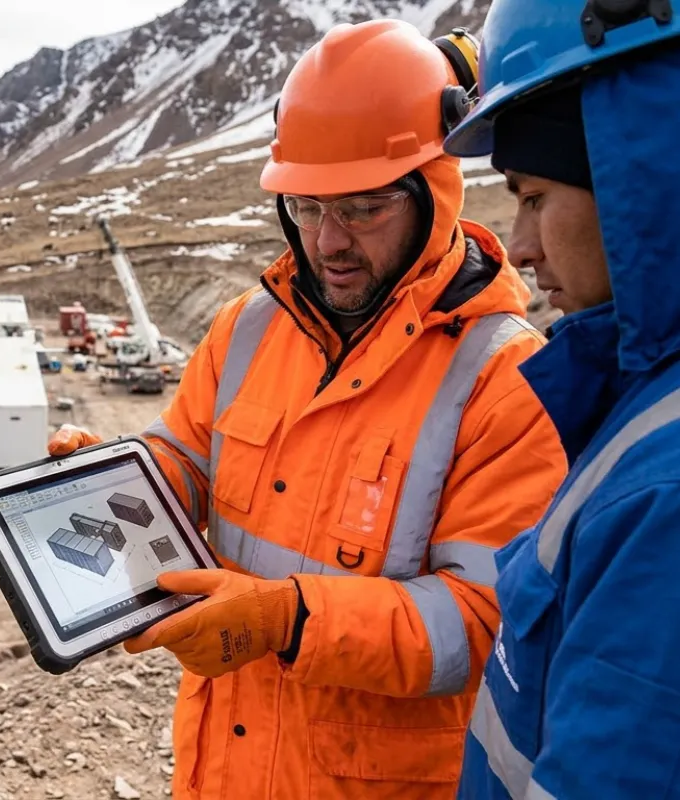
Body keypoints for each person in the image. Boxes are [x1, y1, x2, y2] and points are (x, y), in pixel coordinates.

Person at [50, 19, 566, 799]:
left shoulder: (505, 378)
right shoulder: (248, 326)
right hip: (222, 767)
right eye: (307, 206)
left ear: (436, 191)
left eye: (363, 208)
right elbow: (187, 458)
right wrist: (118, 476)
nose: (327, 242)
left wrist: (287, 619)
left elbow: (478, 627)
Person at [442, 2, 680, 798]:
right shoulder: (637, 402)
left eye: (534, 194)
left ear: (643, 174)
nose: (519, 243)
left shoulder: (665, 490)